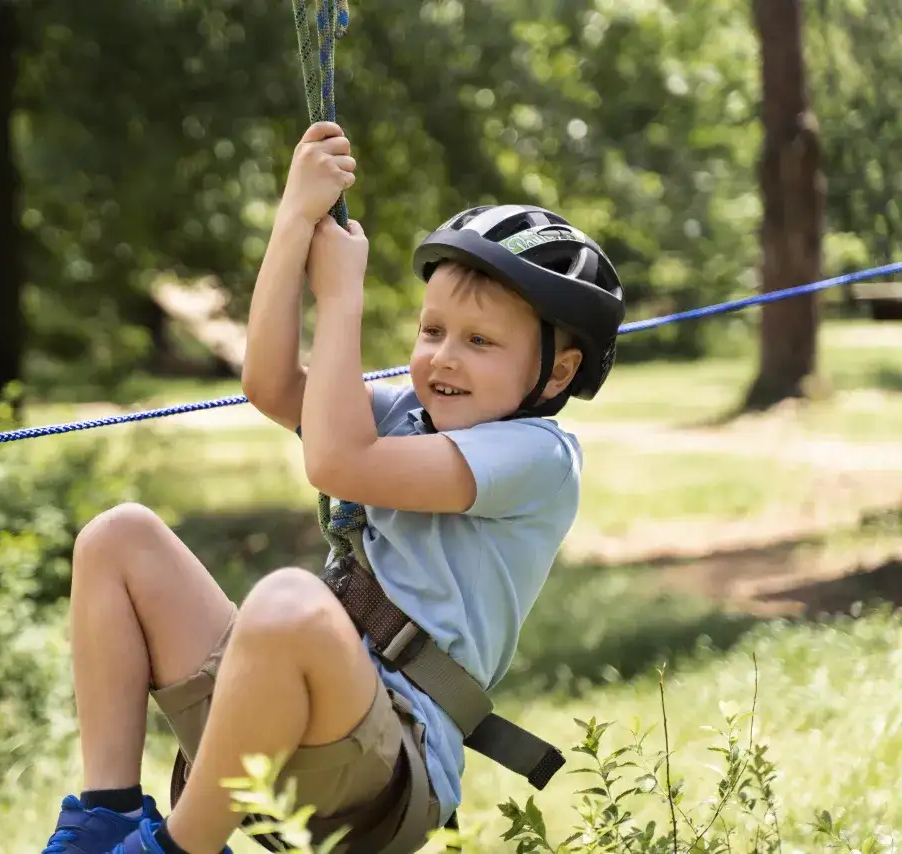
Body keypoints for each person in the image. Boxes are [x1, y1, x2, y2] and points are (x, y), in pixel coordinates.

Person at [40, 121, 625, 854]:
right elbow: (273, 384)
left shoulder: (537, 458)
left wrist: (341, 294)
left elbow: (338, 462)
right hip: (285, 727)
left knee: (288, 602)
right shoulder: (410, 415)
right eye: (431, 330)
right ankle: (108, 820)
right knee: (118, 539)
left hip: (387, 777)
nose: (442, 357)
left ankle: (174, 852)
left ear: (559, 372)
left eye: (479, 341)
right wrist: (294, 221)